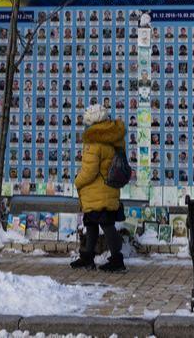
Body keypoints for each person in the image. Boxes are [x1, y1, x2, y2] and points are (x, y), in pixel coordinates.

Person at [70, 103, 127, 273]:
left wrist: (77, 182)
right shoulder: (113, 137)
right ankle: (87, 256)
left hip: (96, 191)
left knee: (105, 224)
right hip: (108, 188)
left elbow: (89, 170)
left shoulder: (94, 140)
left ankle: (117, 260)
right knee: (92, 223)